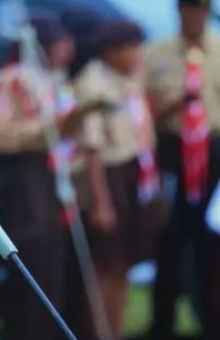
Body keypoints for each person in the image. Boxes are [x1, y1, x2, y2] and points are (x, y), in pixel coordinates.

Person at [0, 16, 77, 340]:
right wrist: (45, 129)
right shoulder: (15, 79)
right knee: (31, 260)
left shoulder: (56, 79)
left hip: (54, 181)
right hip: (26, 179)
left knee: (53, 265)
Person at [71, 20, 160, 339]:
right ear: (112, 51)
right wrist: (102, 203)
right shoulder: (94, 83)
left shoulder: (129, 79)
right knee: (104, 266)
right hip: (108, 179)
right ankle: (98, 331)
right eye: (132, 48)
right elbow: (93, 149)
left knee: (123, 263)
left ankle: (116, 330)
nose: (139, 55)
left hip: (133, 174)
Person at [146, 0, 220, 340]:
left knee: (212, 242)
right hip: (171, 150)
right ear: (179, 8)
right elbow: (142, 111)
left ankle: (212, 323)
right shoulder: (155, 53)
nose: (197, 18)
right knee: (170, 240)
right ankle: (162, 325)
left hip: (214, 154)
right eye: (192, 9)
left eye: (204, 11)